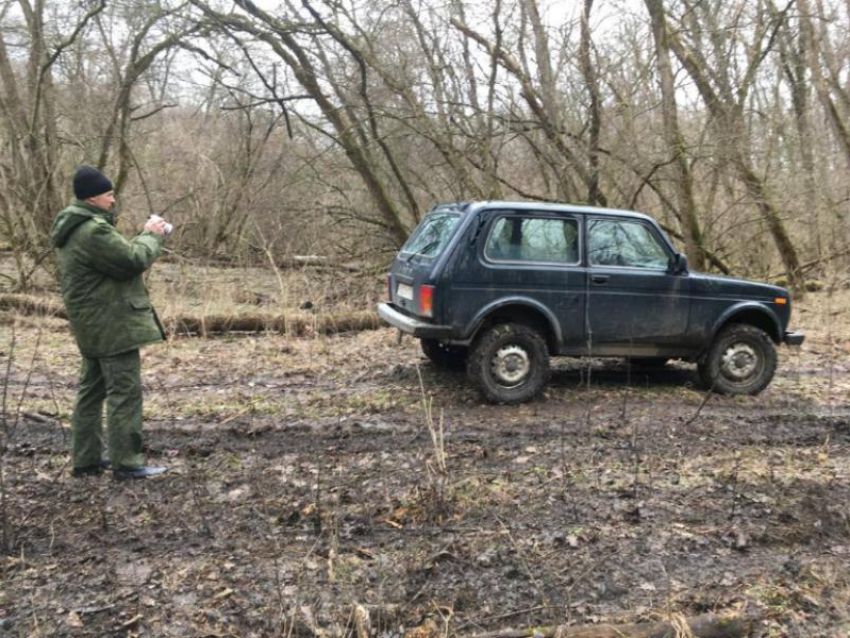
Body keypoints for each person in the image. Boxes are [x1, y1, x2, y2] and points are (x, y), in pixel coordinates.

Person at [49, 166, 171, 480]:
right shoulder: (93, 230)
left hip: (91, 324)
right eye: (108, 194)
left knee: (91, 392)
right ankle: (127, 464)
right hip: (112, 325)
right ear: (92, 197)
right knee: (124, 392)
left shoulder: (75, 228)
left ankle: (86, 461)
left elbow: (113, 260)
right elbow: (132, 261)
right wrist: (151, 235)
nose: (113, 200)